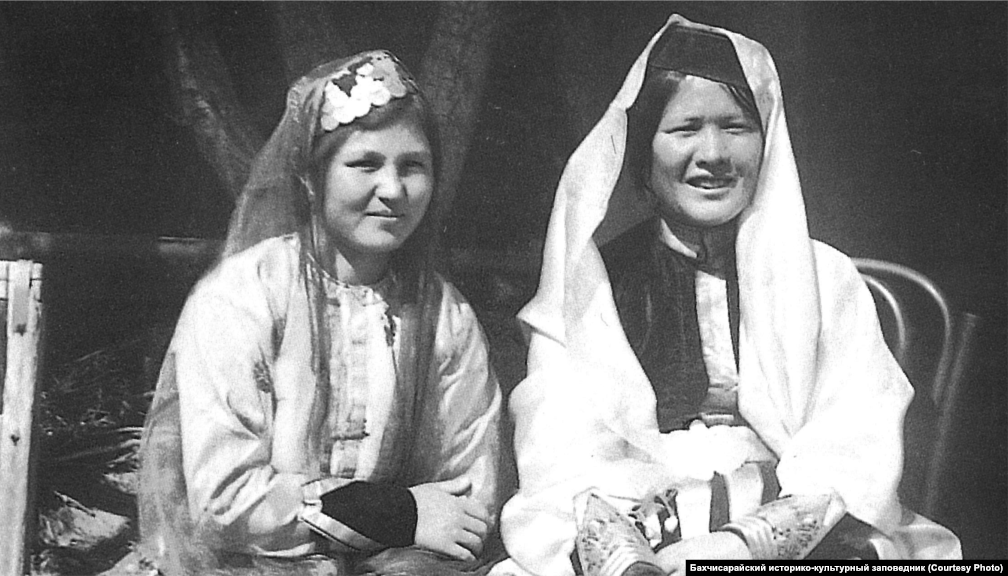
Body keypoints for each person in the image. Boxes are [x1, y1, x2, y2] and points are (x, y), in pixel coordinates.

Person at [494, 15, 961, 576]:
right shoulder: (594, 285)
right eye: (685, 128)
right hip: (633, 521)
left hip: (796, 521)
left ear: (767, 141)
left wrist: (740, 546)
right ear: (643, 150)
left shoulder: (824, 276)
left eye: (736, 126)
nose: (712, 153)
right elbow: (562, 452)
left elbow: (856, 438)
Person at [137, 51, 504, 576]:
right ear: (311, 177)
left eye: (413, 166)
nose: (394, 190)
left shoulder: (447, 319)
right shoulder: (243, 297)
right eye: (365, 164)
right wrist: (400, 513)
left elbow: (468, 502)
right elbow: (225, 500)